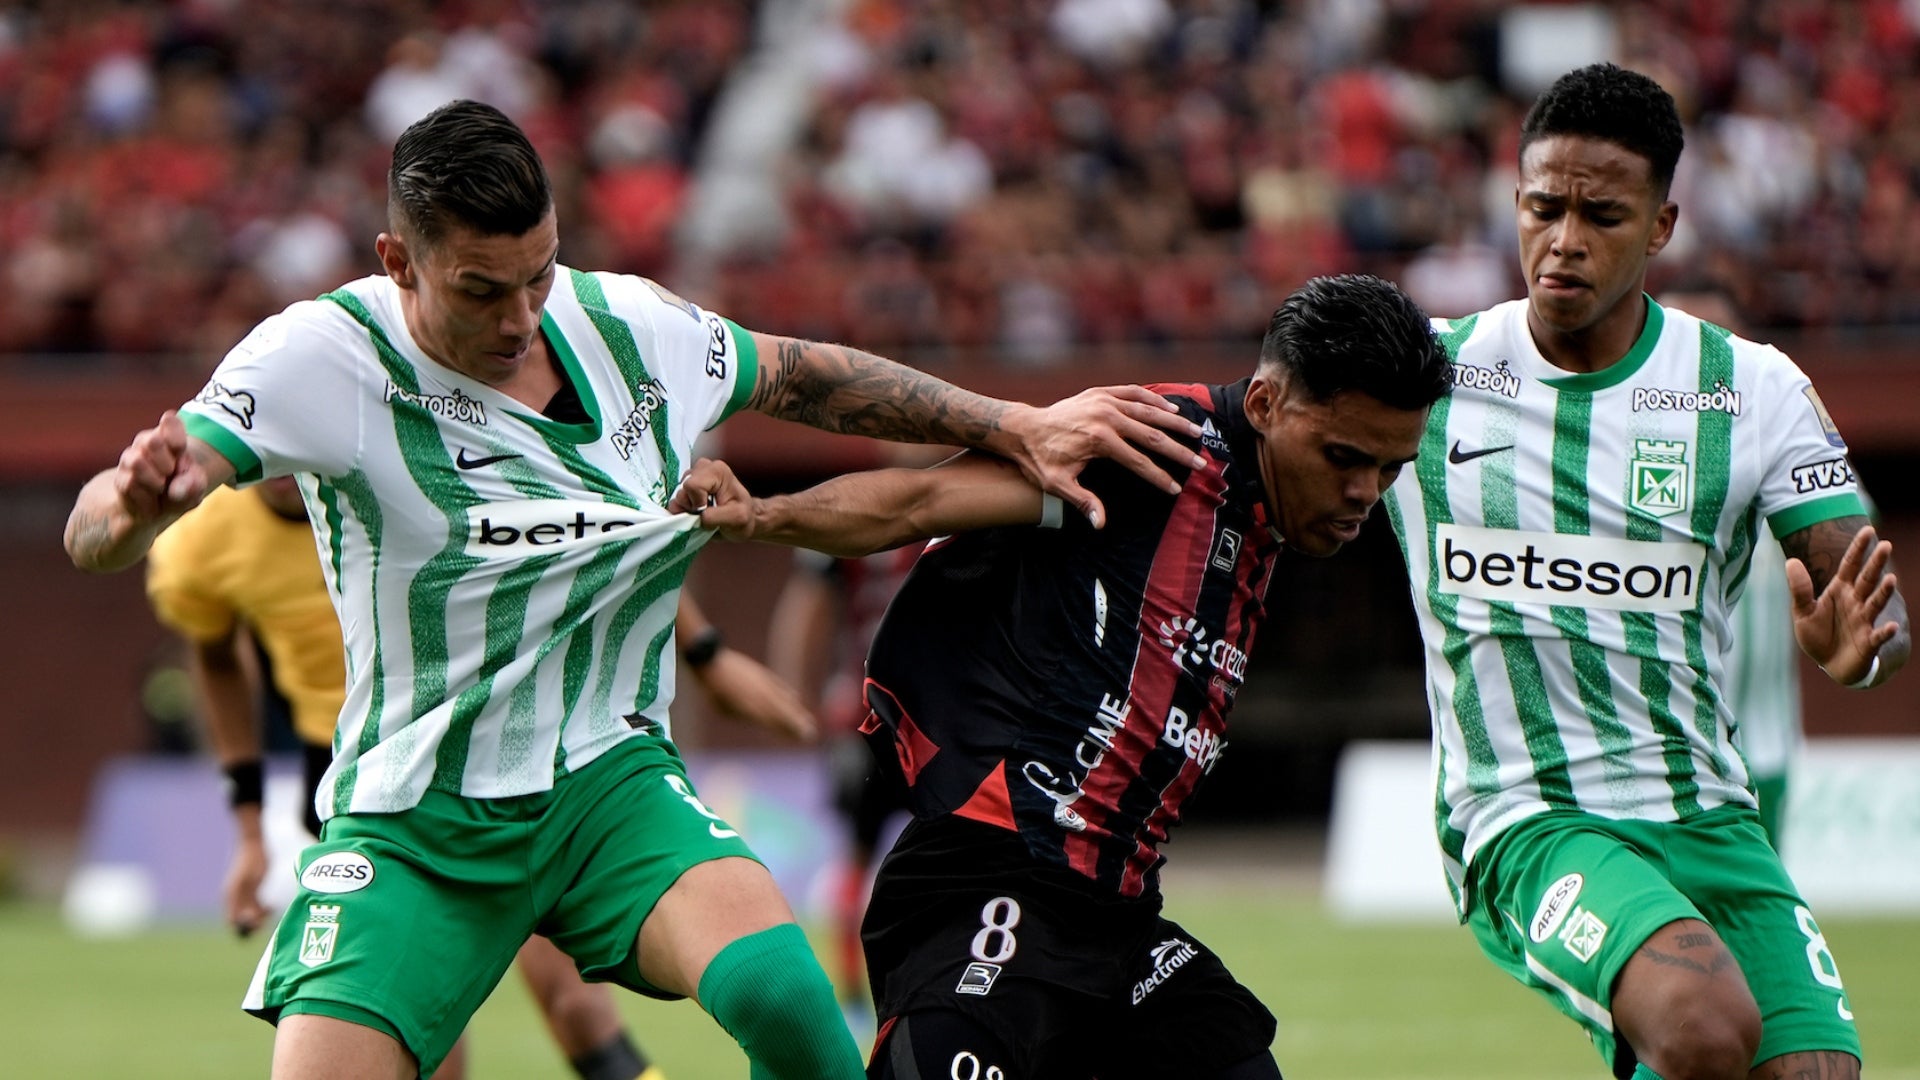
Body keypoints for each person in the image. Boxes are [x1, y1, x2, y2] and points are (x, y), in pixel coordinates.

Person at [63, 98, 1200, 1080]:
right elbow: (96, 534)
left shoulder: (628, 328)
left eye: (538, 276)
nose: (520, 319)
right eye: (481, 290)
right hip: (418, 819)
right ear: (397, 261)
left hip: (610, 785)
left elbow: (807, 376)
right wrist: (134, 499)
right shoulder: (319, 358)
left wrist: (1013, 422)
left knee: (792, 1004)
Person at [677, 272, 1455, 1079]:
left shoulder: (1266, 514)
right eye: (1344, 458)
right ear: (1264, 406)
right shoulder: (1152, 447)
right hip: (989, 882)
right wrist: (764, 516)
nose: (1365, 492)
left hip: (1115, 924)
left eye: (1391, 468)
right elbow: (919, 500)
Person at [1381, 63, 1909, 1080]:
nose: (1564, 239)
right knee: (1703, 1025)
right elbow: (1254, 433)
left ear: (1663, 226)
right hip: (1527, 816)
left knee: (1816, 1074)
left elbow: (1874, 619)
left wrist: (1861, 657)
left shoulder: (1752, 391)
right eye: (1543, 207)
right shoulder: (1427, 375)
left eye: (1602, 215)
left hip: (1710, 810)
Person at [144, 477, 817, 1080]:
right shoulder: (201, 545)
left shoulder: (393, 457)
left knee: (576, 1009)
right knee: (418, 1041)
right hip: (366, 786)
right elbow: (217, 657)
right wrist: (247, 829)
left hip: (504, 748)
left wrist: (705, 654)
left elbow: (595, 531)